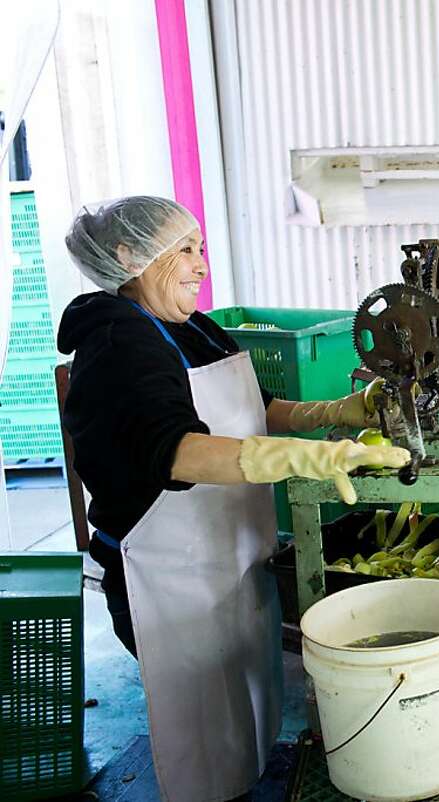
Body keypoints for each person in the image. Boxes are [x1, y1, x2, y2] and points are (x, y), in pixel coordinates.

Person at [58, 196, 411, 802]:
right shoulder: (117, 347)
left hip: (228, 558)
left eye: (202, 248)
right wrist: (308, 459)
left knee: (245, 716)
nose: (201, 265)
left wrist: (336, 413)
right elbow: (177, 452)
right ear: (129, 257)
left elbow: (258, 404)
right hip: (167, 578)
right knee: (201, 741)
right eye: (185, 251)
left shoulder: (190, 325)